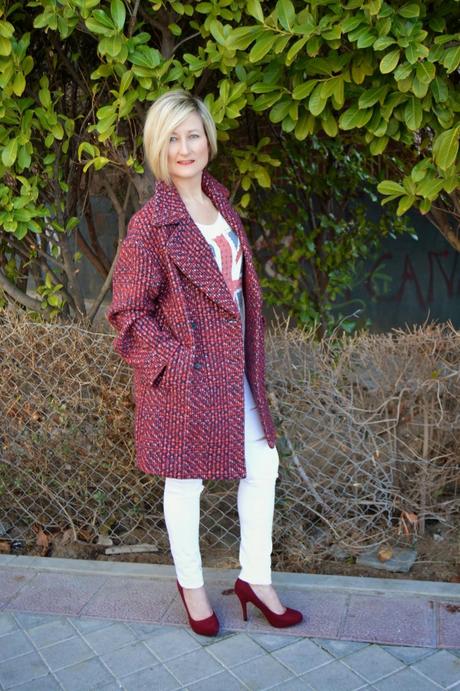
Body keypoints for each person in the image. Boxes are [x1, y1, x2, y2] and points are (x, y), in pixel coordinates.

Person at [107, 90, 303, 636]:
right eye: (172, 137)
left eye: (193, 134)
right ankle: (192, 588)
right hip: (184, 377)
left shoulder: (222, 206)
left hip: (236, 371)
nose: (185, 147)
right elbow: (127, 312)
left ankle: (255, 579)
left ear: (208, 140)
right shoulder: (151, 225)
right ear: (157, 147)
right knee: (185, 481)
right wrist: (175, 363)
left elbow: (236, 297)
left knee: (263, 466)